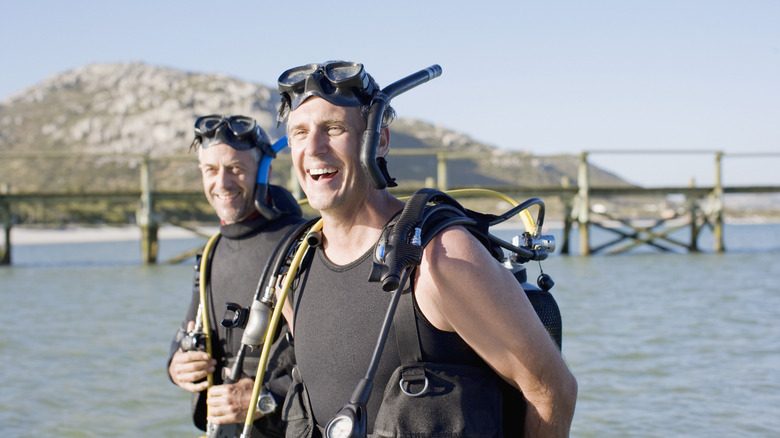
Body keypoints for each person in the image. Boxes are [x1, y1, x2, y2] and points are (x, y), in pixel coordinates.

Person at [275, 61, 578, 437]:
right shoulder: (294, 269)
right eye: (299, 133)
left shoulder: (441, 257)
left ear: (379, 139)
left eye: (333, 129)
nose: (314, 148)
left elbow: (553, 392)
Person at [167, 114, 306, 437]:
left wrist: (269, 398)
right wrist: (175, 366)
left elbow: (343, 358)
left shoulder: (303, 245)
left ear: (264, 172)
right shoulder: (211, 253)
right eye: (211, 171)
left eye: (236, 169)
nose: (222, 183)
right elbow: (185, 333)